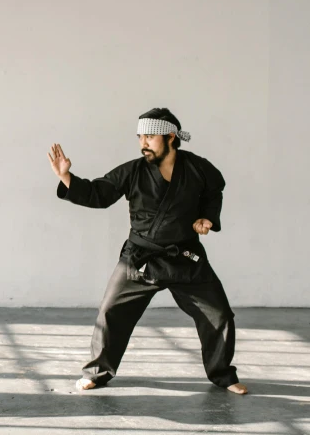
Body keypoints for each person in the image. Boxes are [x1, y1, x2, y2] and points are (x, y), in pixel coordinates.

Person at [47, 108, 247, 395]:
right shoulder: (134, 170)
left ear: (170, 137)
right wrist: (67, 178)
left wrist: (208, 218)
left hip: (186, 259)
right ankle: (98, 373)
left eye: (150, 136)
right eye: (140, 136)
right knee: (111, 314)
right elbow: (98, 194)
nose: (143, 142)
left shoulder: (199, 168)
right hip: (139, 259)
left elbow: (214, 192)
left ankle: (223, 375)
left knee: (220, 315)